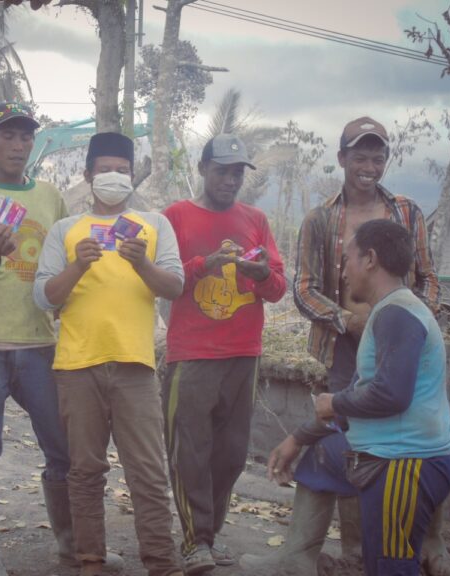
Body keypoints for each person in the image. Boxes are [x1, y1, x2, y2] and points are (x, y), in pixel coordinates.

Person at [250, 116, 450, 576]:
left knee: (395, 442)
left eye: (377, 157)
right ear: (342, 158)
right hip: (346, 343)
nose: (369, 166)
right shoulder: (321, 218)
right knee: (344, 441)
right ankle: (336, 554)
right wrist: (347, 320)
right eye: (360, 157)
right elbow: (304, 288)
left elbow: (428, 278)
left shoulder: (406, 213)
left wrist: (409, 322)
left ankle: (423, 545)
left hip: (399, 339)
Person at [0, 102, 120, 576]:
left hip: (40, 346)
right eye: (8, 136)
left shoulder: (50, 197)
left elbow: (62, 270)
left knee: (61, 448)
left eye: (25, 137)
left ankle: (69, 544)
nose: (18, 145)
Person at [33, 132, 185, 576]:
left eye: (122, 170)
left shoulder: (153, 225)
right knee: (84, 471)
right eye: (105, 170)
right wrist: (78, 264)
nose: (114, 177)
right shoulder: (66, 230)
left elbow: (175, 287)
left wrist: (141, 263)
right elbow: (43, 297)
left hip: (135, 366)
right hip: (77, 366)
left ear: (133, 175)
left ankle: (162, 562)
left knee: (148, 472)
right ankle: (90, 561)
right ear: (88, 175)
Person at [161, 134, 287, 574]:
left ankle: (208, 535)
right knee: (190, 452)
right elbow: (163, 281)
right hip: (192, 354)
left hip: (243, 353)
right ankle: (195, 541)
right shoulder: (175, 217)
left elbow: (277, 287)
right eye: (222, 171)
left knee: (231, 454)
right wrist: (204, 265)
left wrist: (260, 274)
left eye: (237, 173)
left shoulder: (256, 219)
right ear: (202, 169)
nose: (230, 180)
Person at [312, 218, 450, 576]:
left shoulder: (397, 314)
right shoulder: (391, 310)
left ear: (370, 259)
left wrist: (334, 403)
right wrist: (301, 435)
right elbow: (365, 387)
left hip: (403, 465)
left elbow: (391, 394)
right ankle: (296, 553)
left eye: (347, 260)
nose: (343, 273)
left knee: (391, 568)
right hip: (398, 460)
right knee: (318, 456)